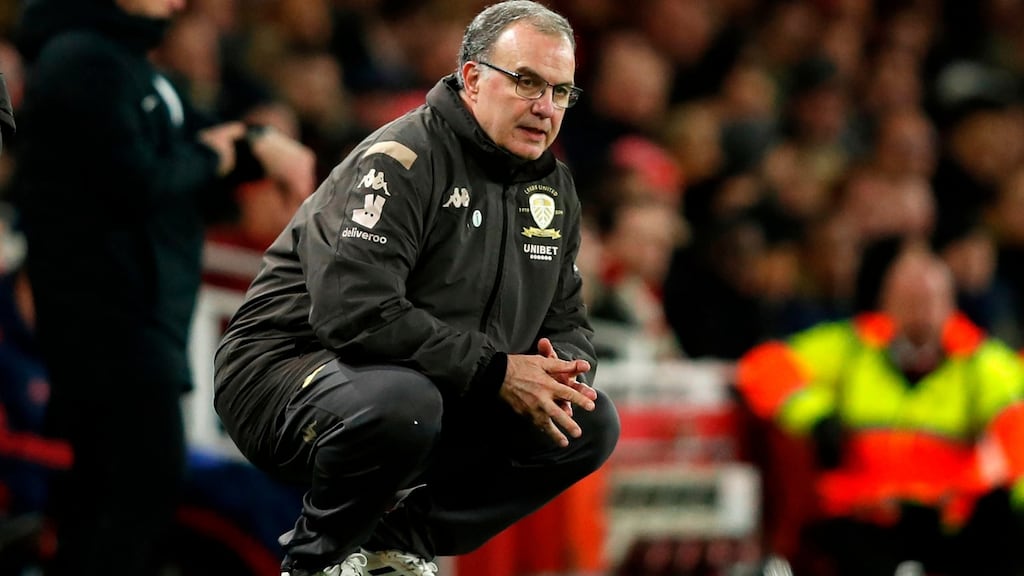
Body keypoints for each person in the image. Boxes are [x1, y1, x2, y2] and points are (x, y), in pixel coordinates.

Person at [212, 2, 621, 575]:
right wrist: (498, 372)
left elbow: (567, 321)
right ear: (473, 78)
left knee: (586, 422)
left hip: (427, 383)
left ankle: (395, 543)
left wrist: (562, 373)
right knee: (406, 405)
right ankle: (317, 562)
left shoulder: (553, 190)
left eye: (561, 92)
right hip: (285, 374)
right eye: (527, 82)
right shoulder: (403, 159)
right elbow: (356, 314)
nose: (545, 107)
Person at [9, 0, 316, 574]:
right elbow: (131, 177)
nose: (178, 2)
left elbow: (182, 159)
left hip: (140, 321)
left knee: (116, 506)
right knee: (129, 501)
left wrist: (248, 143)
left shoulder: (125, 63)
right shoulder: (79, 59)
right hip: (111, 323)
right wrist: (216, 150)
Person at [735, 245, 1024, 576]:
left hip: (944, 520)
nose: (920, 311)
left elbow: (1017, 426)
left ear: (949, 304)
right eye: (909, 299)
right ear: (887, 302)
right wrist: (815, 415)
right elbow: (764, 367)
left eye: (930, 299)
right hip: (863, 516)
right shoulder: (854, 348)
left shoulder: (979, 362)